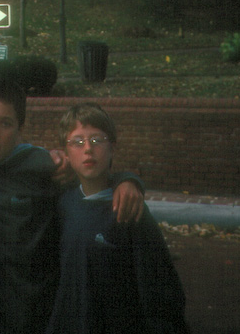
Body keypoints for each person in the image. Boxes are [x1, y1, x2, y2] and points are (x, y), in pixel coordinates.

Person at [0, 80, 144, 334]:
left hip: (41, 307)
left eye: (5, 123)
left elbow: (90, 177)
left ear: (20, 128)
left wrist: (126, 181)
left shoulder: (42, 166)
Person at [46, 103, 189, 334]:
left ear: (112, 147)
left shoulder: (128, 209)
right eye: (77, 142)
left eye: (96, 140)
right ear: (66, 152)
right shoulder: (60, 205)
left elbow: (161, 288)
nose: (88, 150)